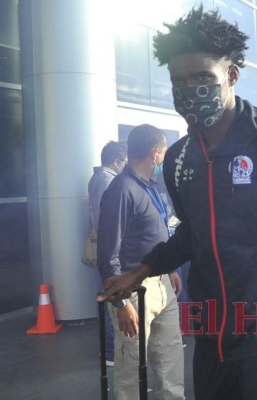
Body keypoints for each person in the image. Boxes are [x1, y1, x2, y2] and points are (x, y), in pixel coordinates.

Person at [98, 6, 257, 400]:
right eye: (179, 81)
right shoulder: (179, 159)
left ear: (231, 75)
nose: (190, 90)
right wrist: (142, 270)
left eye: (202, 77)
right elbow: (193, 235)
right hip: (210, 341)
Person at [97, 124, 184, 400]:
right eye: (165, 154)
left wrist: (168, 269)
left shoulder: (150, 187)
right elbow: (107, 255)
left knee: (169, 360)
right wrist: (121, 303)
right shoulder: (121, 191)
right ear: (155, 154)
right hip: (132, 290)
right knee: (132, 366)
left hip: (161, 284)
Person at [87, 140, 127, 366]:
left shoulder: (97, 178)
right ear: (116, 161)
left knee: (106, 296)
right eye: (124, 162)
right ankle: (111, 352)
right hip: (109, 248)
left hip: (103, 247)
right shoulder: (107, 181)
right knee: (112, 299)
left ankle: (108, 350)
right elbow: (110, 219)